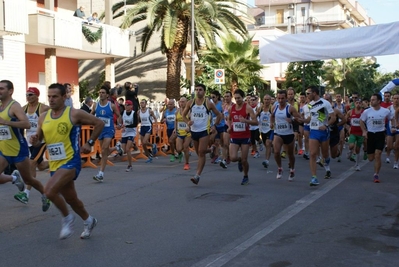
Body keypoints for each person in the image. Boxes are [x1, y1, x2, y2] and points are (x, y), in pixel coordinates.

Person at [31, 83, 104, 239]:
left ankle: (67, 218)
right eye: (49, 96)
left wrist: (89, 143)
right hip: (55, 163)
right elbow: (40, 140)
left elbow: (99, 123)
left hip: (71, 160)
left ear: (64, 97)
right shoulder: (43, 117)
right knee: (71, 198)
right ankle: (89, 220)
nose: (51, 100)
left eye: (55, 96)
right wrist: (35, 140)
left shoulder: (74, 114)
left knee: (49, 191)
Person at [0, 80, 50, 211]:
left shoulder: (14, 106)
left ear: (10, 91)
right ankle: (14, 178)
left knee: (29, 179)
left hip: (18, 149)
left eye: (1, 88)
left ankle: (45, 194)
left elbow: (26, 124)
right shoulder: (1, 106)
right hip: (4, 149)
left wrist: (6, 122)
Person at [14, 87, 50, 204]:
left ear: (37, 96)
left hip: (41, 141)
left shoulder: (43, 108)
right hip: (28, 141)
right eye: (27, 95)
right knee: (40, 166)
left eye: (31, 95)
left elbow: (56, 114)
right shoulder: (23, 109)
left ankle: (26, 193)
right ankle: (55, 163)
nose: (28, 97)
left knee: (32, 163)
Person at [182, 84, 222, 185]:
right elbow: (183, 114)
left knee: (201, 152)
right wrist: (187, 122)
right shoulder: (191, 103)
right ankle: (211, 149)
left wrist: (214, 126)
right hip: (194, 131)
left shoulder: (208, 103)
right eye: (196, 90)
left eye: (200, 90)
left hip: (204, 130)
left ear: (204, 92)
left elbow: (219, 115)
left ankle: (197, 175)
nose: (198, 91)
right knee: (199, 152)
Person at [305, 86, 336, 186]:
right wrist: (303, 120)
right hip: (313, 131)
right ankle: (314, 177)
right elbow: (311, 117)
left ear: (314, 93)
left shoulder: (325, 103)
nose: (307, 95)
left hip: (323, 131)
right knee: (313, 154)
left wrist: (326, 125)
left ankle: (327, 165)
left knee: (325, 153)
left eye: (308, 93)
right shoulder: (310, 104)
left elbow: (333, 117)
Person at [227, 89, 258, 185]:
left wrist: (246, 121)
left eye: (239, 98)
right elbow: (229, 119)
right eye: (235, 98)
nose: (237, 100)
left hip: (245, 136)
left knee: (245, 159)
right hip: (234, 135)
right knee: (232, 158)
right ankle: (239, 160)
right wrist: (229, 126)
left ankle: (245, 176)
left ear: (243, 97)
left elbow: (256, 121)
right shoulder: (231, 108)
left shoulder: (247, 108)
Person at [91, 86, 123, 182]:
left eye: (103, 92)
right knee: (103, 152)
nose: (101, 94)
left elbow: (118, 115)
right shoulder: (95, 105)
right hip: (100, 130)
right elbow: (90, 114)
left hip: (109, 130)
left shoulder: (111, 105)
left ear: (107, 95)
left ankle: (101, 173)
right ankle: (116, 148)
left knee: (104, 148)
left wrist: (119, 123)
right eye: (100, 92)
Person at [360, 93, 393, 183]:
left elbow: (391, 118)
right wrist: (364, 131)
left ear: (379, 101)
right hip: (370, 134)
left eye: (373, 99)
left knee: (378, 154)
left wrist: (393, 126)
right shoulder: (367, 111)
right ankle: (367, 151)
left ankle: (376, 175)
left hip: (380, 134)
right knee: (371, 158)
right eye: (371, 99)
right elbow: (361, 121)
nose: (371, 101)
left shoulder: (385, 111)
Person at [271, 90, 302, 181]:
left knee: (290, 154)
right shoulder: (274, 107)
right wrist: (271, 123)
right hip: (278, 133)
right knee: (276, 152)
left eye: (282, 98)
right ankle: (280, 168)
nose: (280, 100)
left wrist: (292, 119)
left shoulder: (290, 108)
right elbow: (272, 116)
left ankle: (292, 169)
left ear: (286, 98)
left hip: (288, 134)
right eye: (279, 98)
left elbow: (299, 119)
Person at [346, 98, 364, 171]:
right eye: (357, 103)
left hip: (360, 133)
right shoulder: (350, 112)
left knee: (357, 150)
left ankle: (357, 164)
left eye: (359, 103)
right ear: (354, 104)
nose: (358, 104)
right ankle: (350, 152)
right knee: (351, 146)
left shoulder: (363, 112)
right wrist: (347, 127)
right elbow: (345, 120)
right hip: (353, 132)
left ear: (361, 104)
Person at [120, 100, 138, 172]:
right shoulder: (123, 112)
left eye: (128, 105)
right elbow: (119, 120)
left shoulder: (134, 113)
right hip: (125, 132)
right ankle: (133, 144)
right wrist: (120, 125)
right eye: (125, 105)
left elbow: (135, 124)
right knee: (123, 151)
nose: (126, 106)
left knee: (127, 149)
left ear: (131, 106)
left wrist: (126, 126)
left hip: (131, 132)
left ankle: (130, 165)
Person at [175, 97, 192, 170]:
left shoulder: (189, 111)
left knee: (185, 147)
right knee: (178, 149)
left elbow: (192, 121)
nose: (181, 103)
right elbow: (176, 120)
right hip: (180, 132)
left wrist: (189, 127)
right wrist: (175, 129)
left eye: (183, 102)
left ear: (186, 102)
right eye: (180, 102)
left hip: (188, 133)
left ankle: (187, 163)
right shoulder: (177, 111)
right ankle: (181, 154)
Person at [258, 94, 274, 169]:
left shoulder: (272, 108)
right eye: (265, 99)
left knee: (268, 143)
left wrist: (272, 123)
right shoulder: (260, 108)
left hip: (270, 129)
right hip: (262, 129)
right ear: (263, 100)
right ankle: (273, 146)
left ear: (270, 100)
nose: (266, 101)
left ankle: (266, 160)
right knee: (266, 144)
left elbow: (275, 117)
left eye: (268, 99)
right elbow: (255, 115)